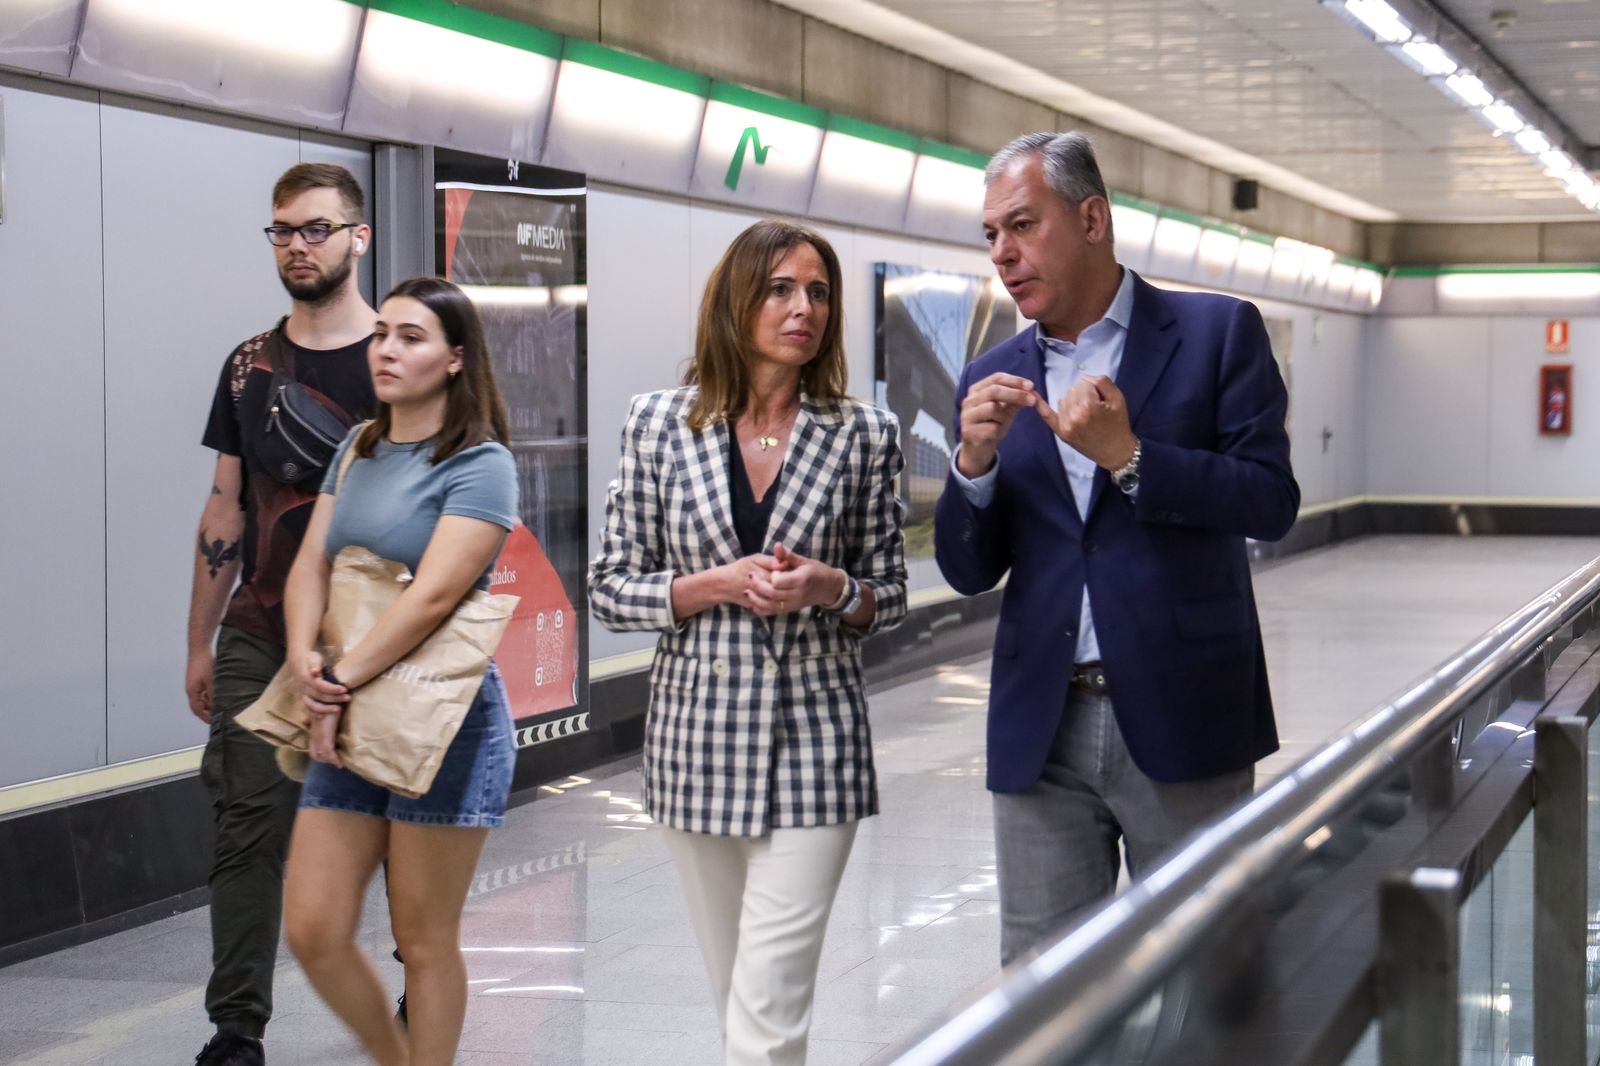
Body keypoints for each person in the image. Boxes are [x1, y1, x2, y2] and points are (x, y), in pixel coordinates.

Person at [933, 132, 1300, 966]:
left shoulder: (1215, 334)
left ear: (1092, 218)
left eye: (1021, 226)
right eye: (991, 234)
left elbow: (1270, 502)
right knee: (1040, 984)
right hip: (1041, 723)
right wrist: (973, 464)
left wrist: (1130, 458)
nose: (1003, 253)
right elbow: (967, 568)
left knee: (1205, 973)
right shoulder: (990, 376)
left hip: (1184, 710)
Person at [589, 219, 908, 1065]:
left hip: (818, 743)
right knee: (739, 998)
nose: (803, 308)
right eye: (779, 289)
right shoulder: (658, 424)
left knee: (767, 1009)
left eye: (817, 291)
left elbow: (892, 596)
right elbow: (611, 587)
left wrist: (831, 588)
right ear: (737, 301)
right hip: (695, 744)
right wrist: (714, 585)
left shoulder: (864, 434)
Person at [277, 276, 519, 1066]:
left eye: (410, 336)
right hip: (343, 708)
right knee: (312, 926)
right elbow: (312, 561)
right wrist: (302, 658)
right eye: (382, 332)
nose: (386, 349)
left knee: (421, 936)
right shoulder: (359, 447)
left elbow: (436, 596)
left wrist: (337, 679)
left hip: (442, 723)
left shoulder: (480, 464)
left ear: (455, 359)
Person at [187, 162, 376, 1066]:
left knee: (397, 823)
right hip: (259, 633)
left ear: (357, 237)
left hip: (380, 642)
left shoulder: (403, 356)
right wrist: (200, 641)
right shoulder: (247, 366)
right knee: (246, 827)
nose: (296, 246)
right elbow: (227, 509)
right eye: (282, 231)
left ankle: (419, 975)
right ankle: (236, 1030)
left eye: (315, 229)